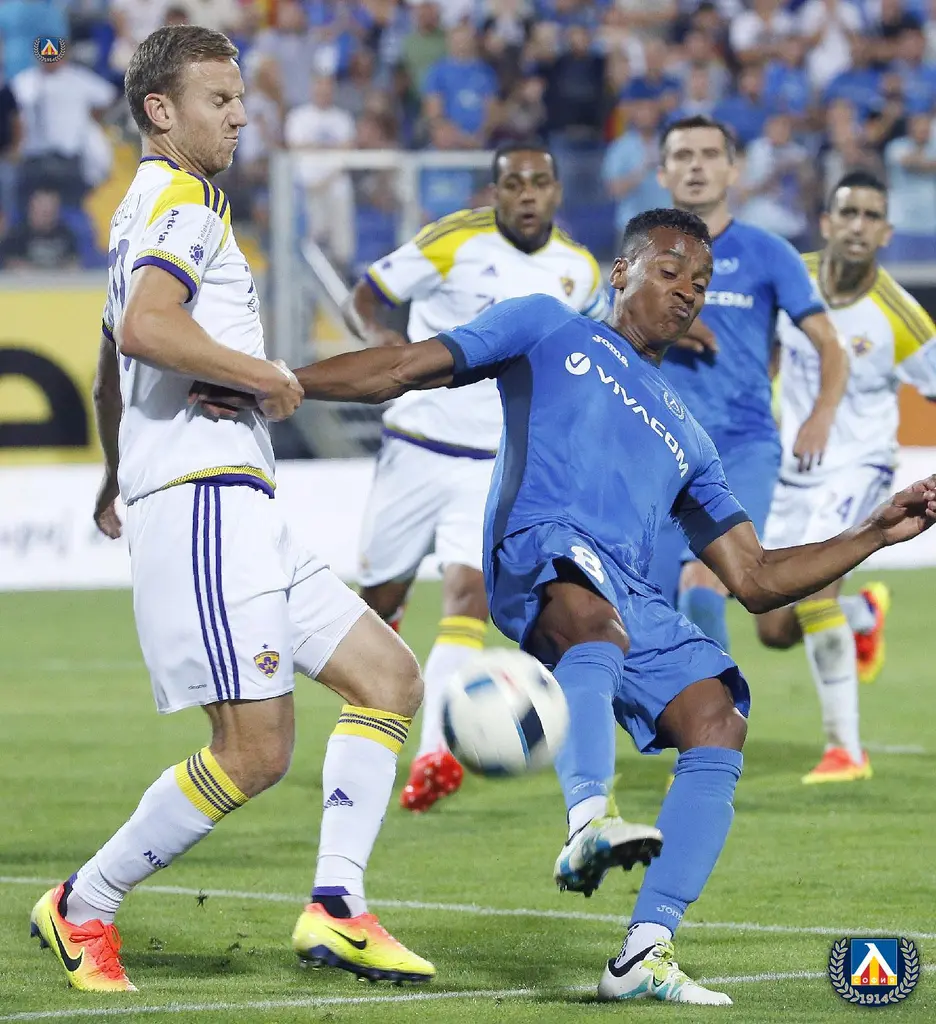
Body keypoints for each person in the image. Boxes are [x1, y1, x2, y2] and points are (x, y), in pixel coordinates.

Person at [194, 207, 936, 1005]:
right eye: (670, 270)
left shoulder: (690, 438)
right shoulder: (549, 326)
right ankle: (589, 821)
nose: (687, 291)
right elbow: (407, 365)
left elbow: (753, 577)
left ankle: (645, 951)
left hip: (628, 591)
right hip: (541, 548)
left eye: (700, 282)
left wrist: (872, 532)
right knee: (593, 619)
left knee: (717, 715)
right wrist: (285, 382)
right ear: (622, 271)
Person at [28, 25, 434, 994]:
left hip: (237, 505)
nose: (242, 116)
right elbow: (144, 327)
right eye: (220, 99)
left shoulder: (137, 213)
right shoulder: (187, 199)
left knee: (388, 677)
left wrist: (112, 472)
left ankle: (337, 908)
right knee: (254, 751)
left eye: (242, 97)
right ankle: (83, 904)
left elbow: (108, 368)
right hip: (205, 504)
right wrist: (265, 374)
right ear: (160, 111)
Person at [344, 140, 609, 812]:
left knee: (468, 595)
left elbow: (590, 355)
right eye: (513, 183)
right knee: (377, 601)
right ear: (495, 192)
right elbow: (367, 295)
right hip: (417, 443)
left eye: (539, 182)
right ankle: (380, 693)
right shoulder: (452, 239)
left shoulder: (580, 271)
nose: (527, 194)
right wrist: (382, 341)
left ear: (556, 191)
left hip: (495, 461)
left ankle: (435, 754)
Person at [757, 170, 936, 783]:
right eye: (848, 213)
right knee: (772, 623)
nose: (858, 226)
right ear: (827, 223)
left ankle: (846, 751)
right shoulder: (790, 276)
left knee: (812, 595)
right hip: (792, 470)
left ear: (886, 233)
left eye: (871, 216)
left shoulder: (901, 316)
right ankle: (863, 614)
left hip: (861, 465)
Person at [648, 115, 849, 656]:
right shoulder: (641, 256)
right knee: (651, 616)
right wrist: (665, 325)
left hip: (740, 450)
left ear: (733, 170)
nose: (696, 166)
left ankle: (723, 707)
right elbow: (601, 337)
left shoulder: (769, 252)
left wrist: (822, 414)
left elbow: (830, 343)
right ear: (662, 173)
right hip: (655, 451)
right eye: (683, 155)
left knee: (703, 585)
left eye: (710, 154)